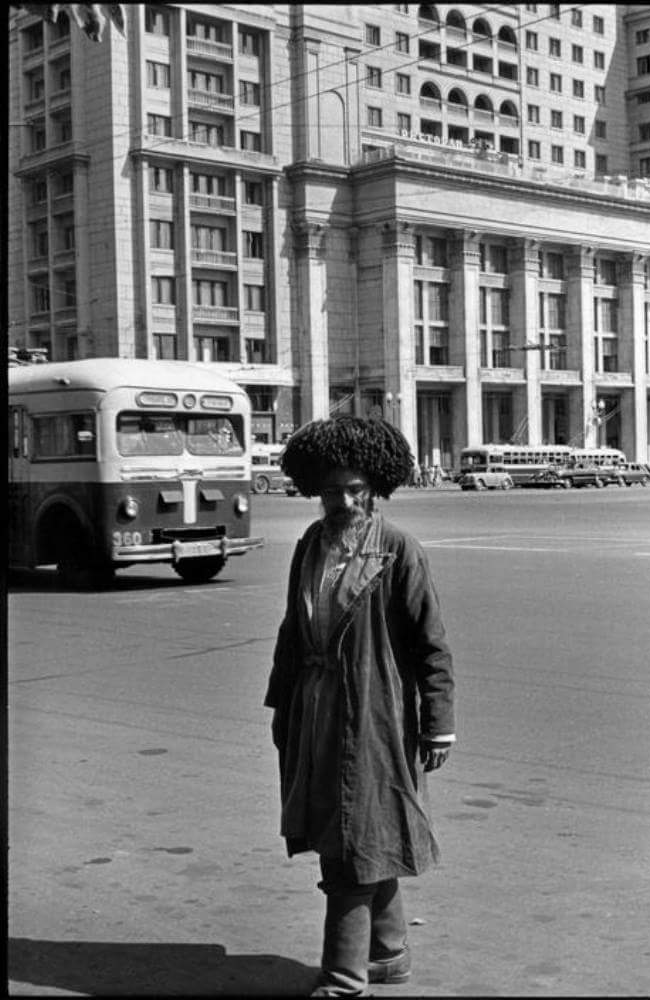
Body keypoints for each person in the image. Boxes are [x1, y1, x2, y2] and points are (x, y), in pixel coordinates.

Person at [264, 415, 455, 997]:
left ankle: (344, 980)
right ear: (315, 492)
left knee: (351, 841)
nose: (343, 501)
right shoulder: (308, 545)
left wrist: (438, 725)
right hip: (313, 712)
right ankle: (388, 952)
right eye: (330, 491)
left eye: (354, 490)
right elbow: (291, 632)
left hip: (374, 717)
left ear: (374, 488)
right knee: (353, 829)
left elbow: (431, 642)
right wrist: (281, 705)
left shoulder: (398, 550)